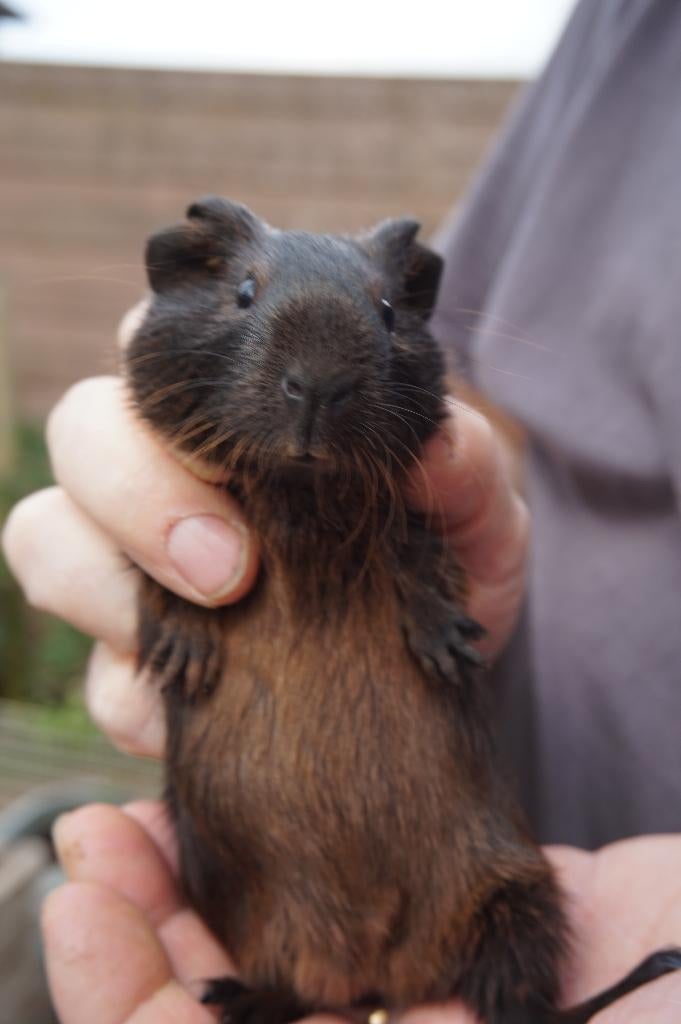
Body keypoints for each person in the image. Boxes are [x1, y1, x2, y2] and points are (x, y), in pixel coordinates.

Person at [2, 0, 681, 1019]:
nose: (317, 375)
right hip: (275, 902)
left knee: (516, 925)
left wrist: (430, 605)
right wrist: (170, 598)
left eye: (378, 313)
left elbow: (423, 557)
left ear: (407, 310)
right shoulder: (628, 29)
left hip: (483, 885)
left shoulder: (402, 516)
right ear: (186, 278)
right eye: (243, 298)